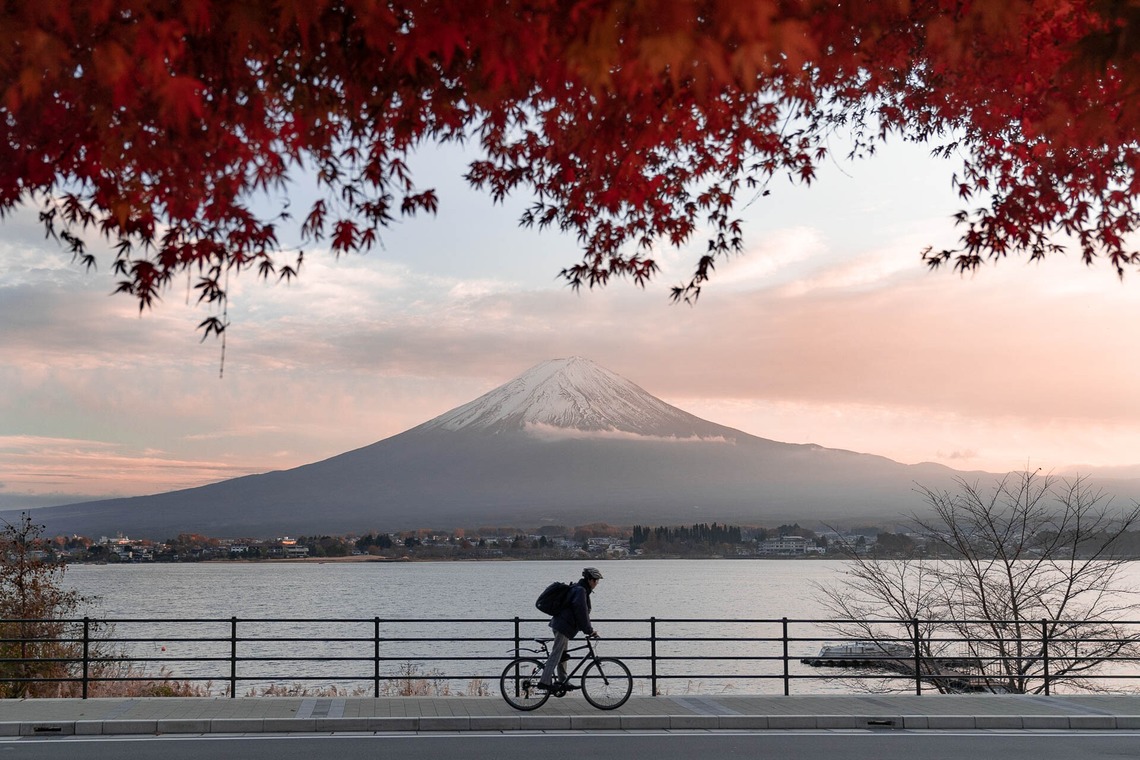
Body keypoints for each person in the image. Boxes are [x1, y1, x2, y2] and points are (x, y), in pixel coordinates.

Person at [538, 567, 603, 691]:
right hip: (563, 626)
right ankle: (544, 682)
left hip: (562, 625)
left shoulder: (580, 588)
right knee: (556, 654)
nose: (597, 583)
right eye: (596, 580)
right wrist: (589, 630)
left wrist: (587, 629)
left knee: (562, 655)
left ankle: (563, 681)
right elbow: (581, 612)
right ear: (590, 580)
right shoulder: (581, 590)